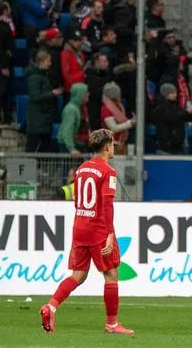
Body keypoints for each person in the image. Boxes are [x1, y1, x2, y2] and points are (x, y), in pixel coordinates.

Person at [40, 129, 134, 335]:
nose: (113, 147)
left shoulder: (81, 169)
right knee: (111, 274)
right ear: (107, 146)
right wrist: (109, 233)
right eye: (112, 144)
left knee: (78, 275)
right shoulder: (108, 172)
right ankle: (112, 324)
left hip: (80, 226)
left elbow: (77, 200)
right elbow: (108, 205)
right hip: (98, 229)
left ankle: (51, 306)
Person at [26, 50, 62, 152]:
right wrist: (52, 93)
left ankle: (40, 167)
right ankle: (30, 167)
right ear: (41, 62)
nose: (50, 64)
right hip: (37, 120)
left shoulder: (43, 76)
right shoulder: (34, 77)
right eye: (48, 61)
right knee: (32, 147)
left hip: (45, 119)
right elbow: (35, 96)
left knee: (45, 146)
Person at [153, 83, 192, 154]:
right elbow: (171, 117)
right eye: (172, 93)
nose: (175, 95)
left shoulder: (176, 106)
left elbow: (189, 118)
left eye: (176, 92)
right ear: (166, 94)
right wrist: (187, 111)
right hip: (166, 147)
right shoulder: (159, 107)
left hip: (177, 146)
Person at [58, 83, 89, 156]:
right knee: (69, 167)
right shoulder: (70, 109)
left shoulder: (80, 108)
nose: (88, 94)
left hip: (76, 143)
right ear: (79, 94)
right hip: (67, 145)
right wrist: (71, 149)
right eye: (86, 93)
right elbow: (67, 130)